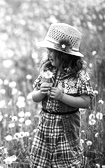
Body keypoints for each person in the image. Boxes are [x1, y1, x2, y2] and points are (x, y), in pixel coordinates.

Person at [30, 23, 94, 167]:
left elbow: (86, 102)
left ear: (65, 55)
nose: (49, 55)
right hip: (45, 128)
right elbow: (34, 97)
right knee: (42, 162)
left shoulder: (79, 75)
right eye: (48, 51)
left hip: (66, 129)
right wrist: (41, 92)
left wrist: (61, 97)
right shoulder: (48, 70)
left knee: (65, 162)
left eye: (52, 51)